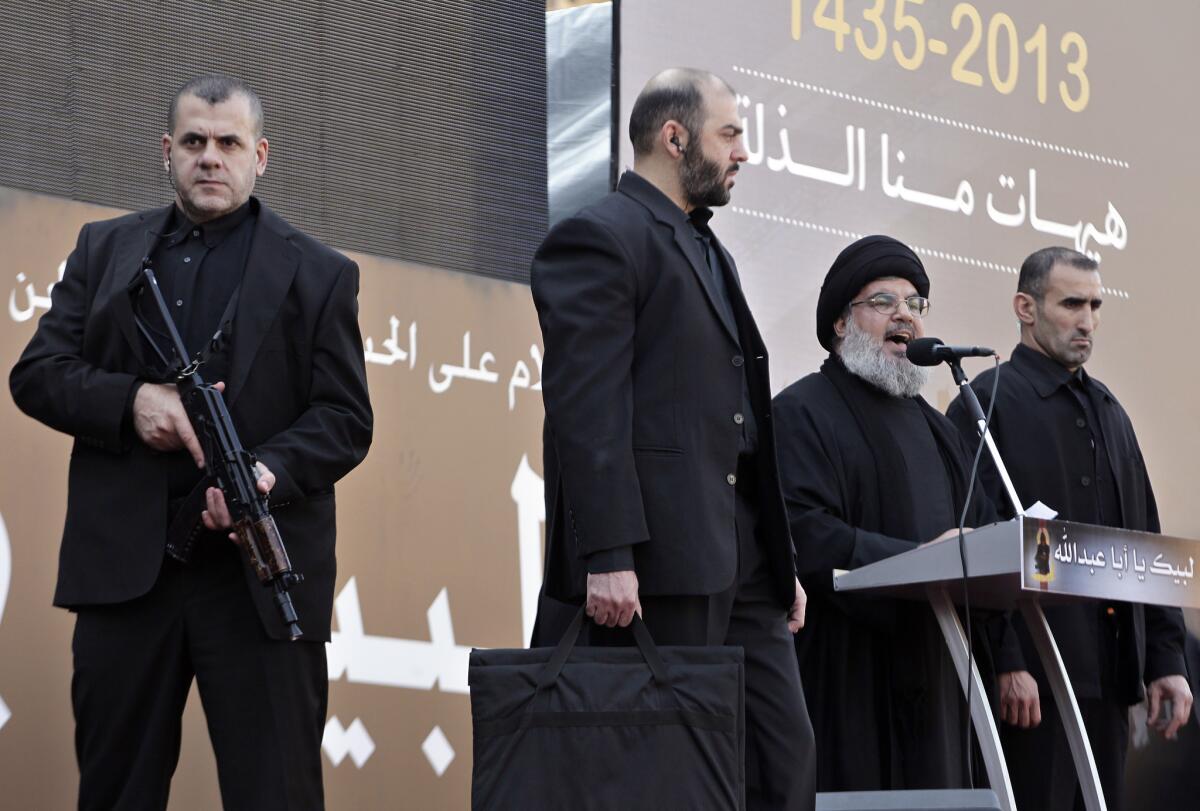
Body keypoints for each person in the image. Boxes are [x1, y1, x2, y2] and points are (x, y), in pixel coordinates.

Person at [9, 75, 373, 810]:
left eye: (229, 143)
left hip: (257, 579)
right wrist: (132, 401)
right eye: (195, 142)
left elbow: (345, 418)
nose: (211, 157)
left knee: (279, 793)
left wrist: (267, 471)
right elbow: (37, 373)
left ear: (261, 155)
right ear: (166, 151)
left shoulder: (321, 274)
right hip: (125, 580)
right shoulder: (104, 249)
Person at [529, 67, 815, 809]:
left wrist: (778, 562)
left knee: (784, 762)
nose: (744, 152)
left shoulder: (708, 248)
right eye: (731, 133)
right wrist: (608, 552)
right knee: (669, 773)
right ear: (674, 136)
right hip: (660, 560)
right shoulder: (600, 237)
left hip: (741, 558)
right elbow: (584, 408)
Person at [947, 246, 1192, 811]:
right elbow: (968, 545)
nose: (1088, 322)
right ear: (1025, 307)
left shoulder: (1110, 412)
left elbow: (1144, 545)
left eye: (1096, 305)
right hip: (1030, 687)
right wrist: (1008, 658)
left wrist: (1167, 662)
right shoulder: (985, 405)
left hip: (1109, 683)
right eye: (1071, 304)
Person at [772, 235, 996, 791]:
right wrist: (912, 561)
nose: (905, 315)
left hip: (938, 671)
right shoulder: (800, 413)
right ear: (840, 324)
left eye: (915, 303)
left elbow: (983, 529)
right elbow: (801, 532)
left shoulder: (942, 428)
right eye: (883, 302)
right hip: (846, 671)